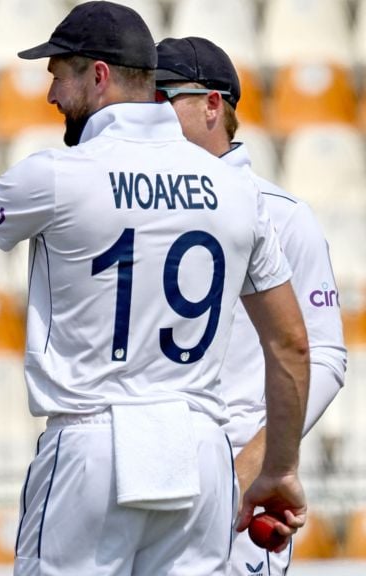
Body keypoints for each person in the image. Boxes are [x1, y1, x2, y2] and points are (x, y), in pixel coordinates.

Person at [0, 2, 309, 574]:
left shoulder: (58, 174)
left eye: (58, 74)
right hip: (200, 452)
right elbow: (291, 346)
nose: (50, 95)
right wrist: (280, 469)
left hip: (94, 445)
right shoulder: (237, 192)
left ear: (98, 75)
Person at [155, 36, 348, 572]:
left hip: (235, 477)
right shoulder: (128, 207)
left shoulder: (284, 216)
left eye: (161, 97)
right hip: (148, 467)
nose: (144, 115)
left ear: (213, 105)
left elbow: (326, 355)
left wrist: (257, 462)